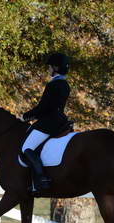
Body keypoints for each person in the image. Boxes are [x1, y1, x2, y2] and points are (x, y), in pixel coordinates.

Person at [21, 52, 71, 193]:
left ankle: (41, 179)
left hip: (49, 122)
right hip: (61, 119)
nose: (48, 69)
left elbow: (43, 107)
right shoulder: (65, 84)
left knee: (27, 148)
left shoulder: (54, 84)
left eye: (49, 67)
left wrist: (26, 116)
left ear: (55, 67)